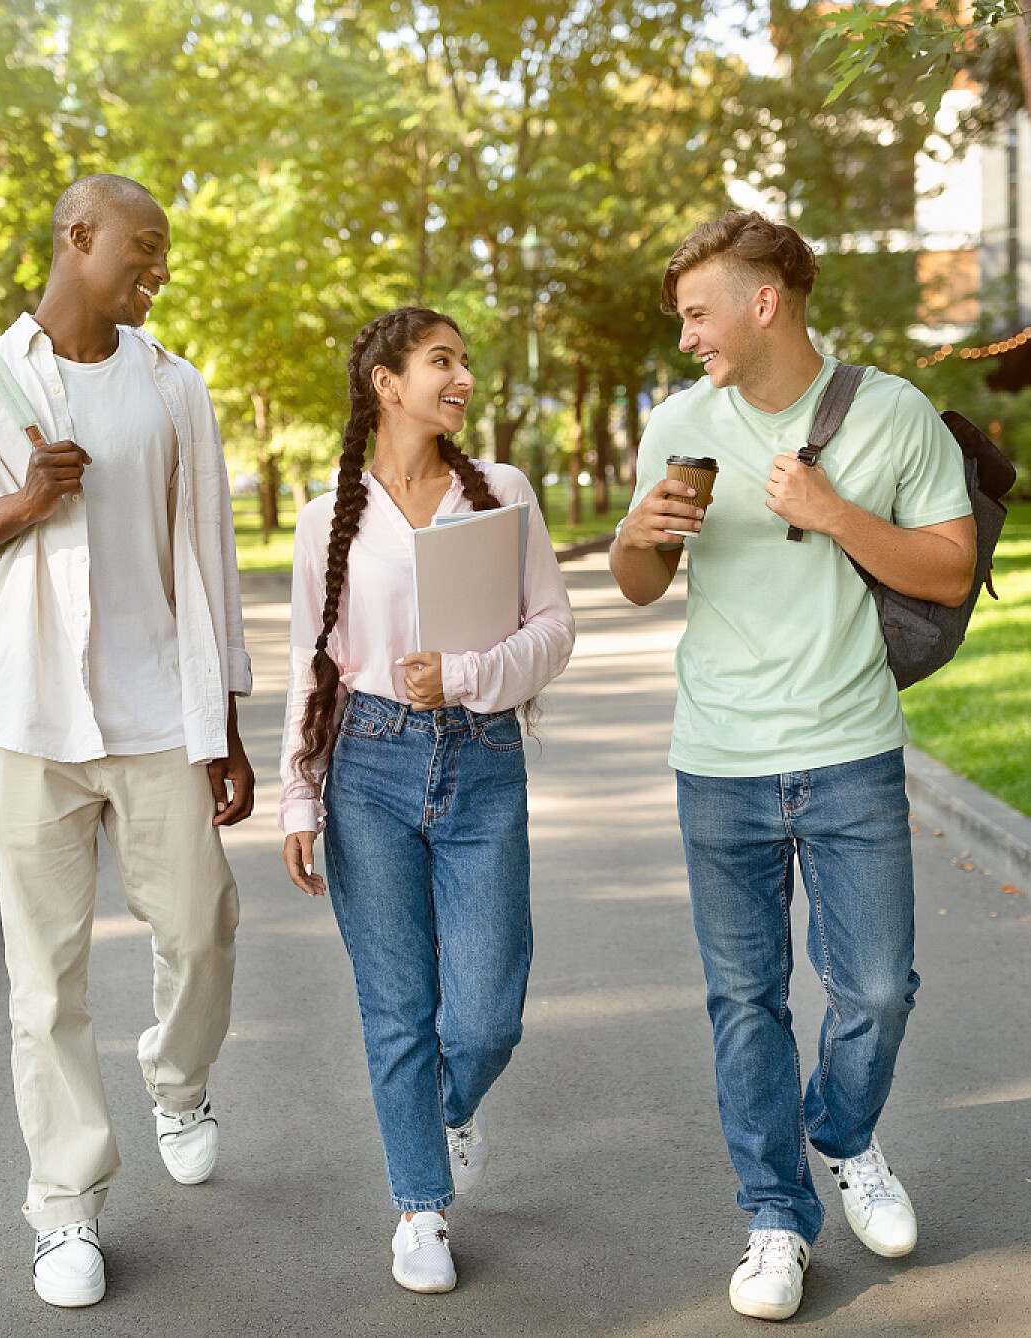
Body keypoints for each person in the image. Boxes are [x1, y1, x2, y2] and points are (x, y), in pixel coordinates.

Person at [0, 175, 254, 1309]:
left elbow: (211, 556)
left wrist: (225, 718)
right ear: (76, 238)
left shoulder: (174, 387)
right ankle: (64, 1207)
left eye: (165, 252)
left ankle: (178, 1084)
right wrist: (18, 507)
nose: (160, 269)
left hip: (154, 713)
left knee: (201, 927)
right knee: (44, 981)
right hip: (29, 718)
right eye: (143, 247)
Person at [611, 212, 976, 1322]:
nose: (686, 339)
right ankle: (776, 1217)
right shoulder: (678, 420)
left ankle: (846, 1134)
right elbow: (637, 584)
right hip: (717, 758)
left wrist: (834, 513)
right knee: (745, 1001)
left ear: (762, 302)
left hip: (851, 749)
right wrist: (642, 531)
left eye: (696, 314)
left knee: (875, 984)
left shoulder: (896, 413)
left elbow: (952, 570)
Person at [278, 307, 574, 1295]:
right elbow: (310, 661)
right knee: (396, 1005)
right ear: (386, 383)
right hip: (367, 767)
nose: (463, 379)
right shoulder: (330, 515)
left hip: (483, 759)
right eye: (441, 361)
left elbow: (555, 632)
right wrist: (298, 794)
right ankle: (420, 1208)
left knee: (488, 1012)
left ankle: (446, 1110)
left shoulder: (504, 497)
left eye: (465, 362)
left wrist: (470, 674)